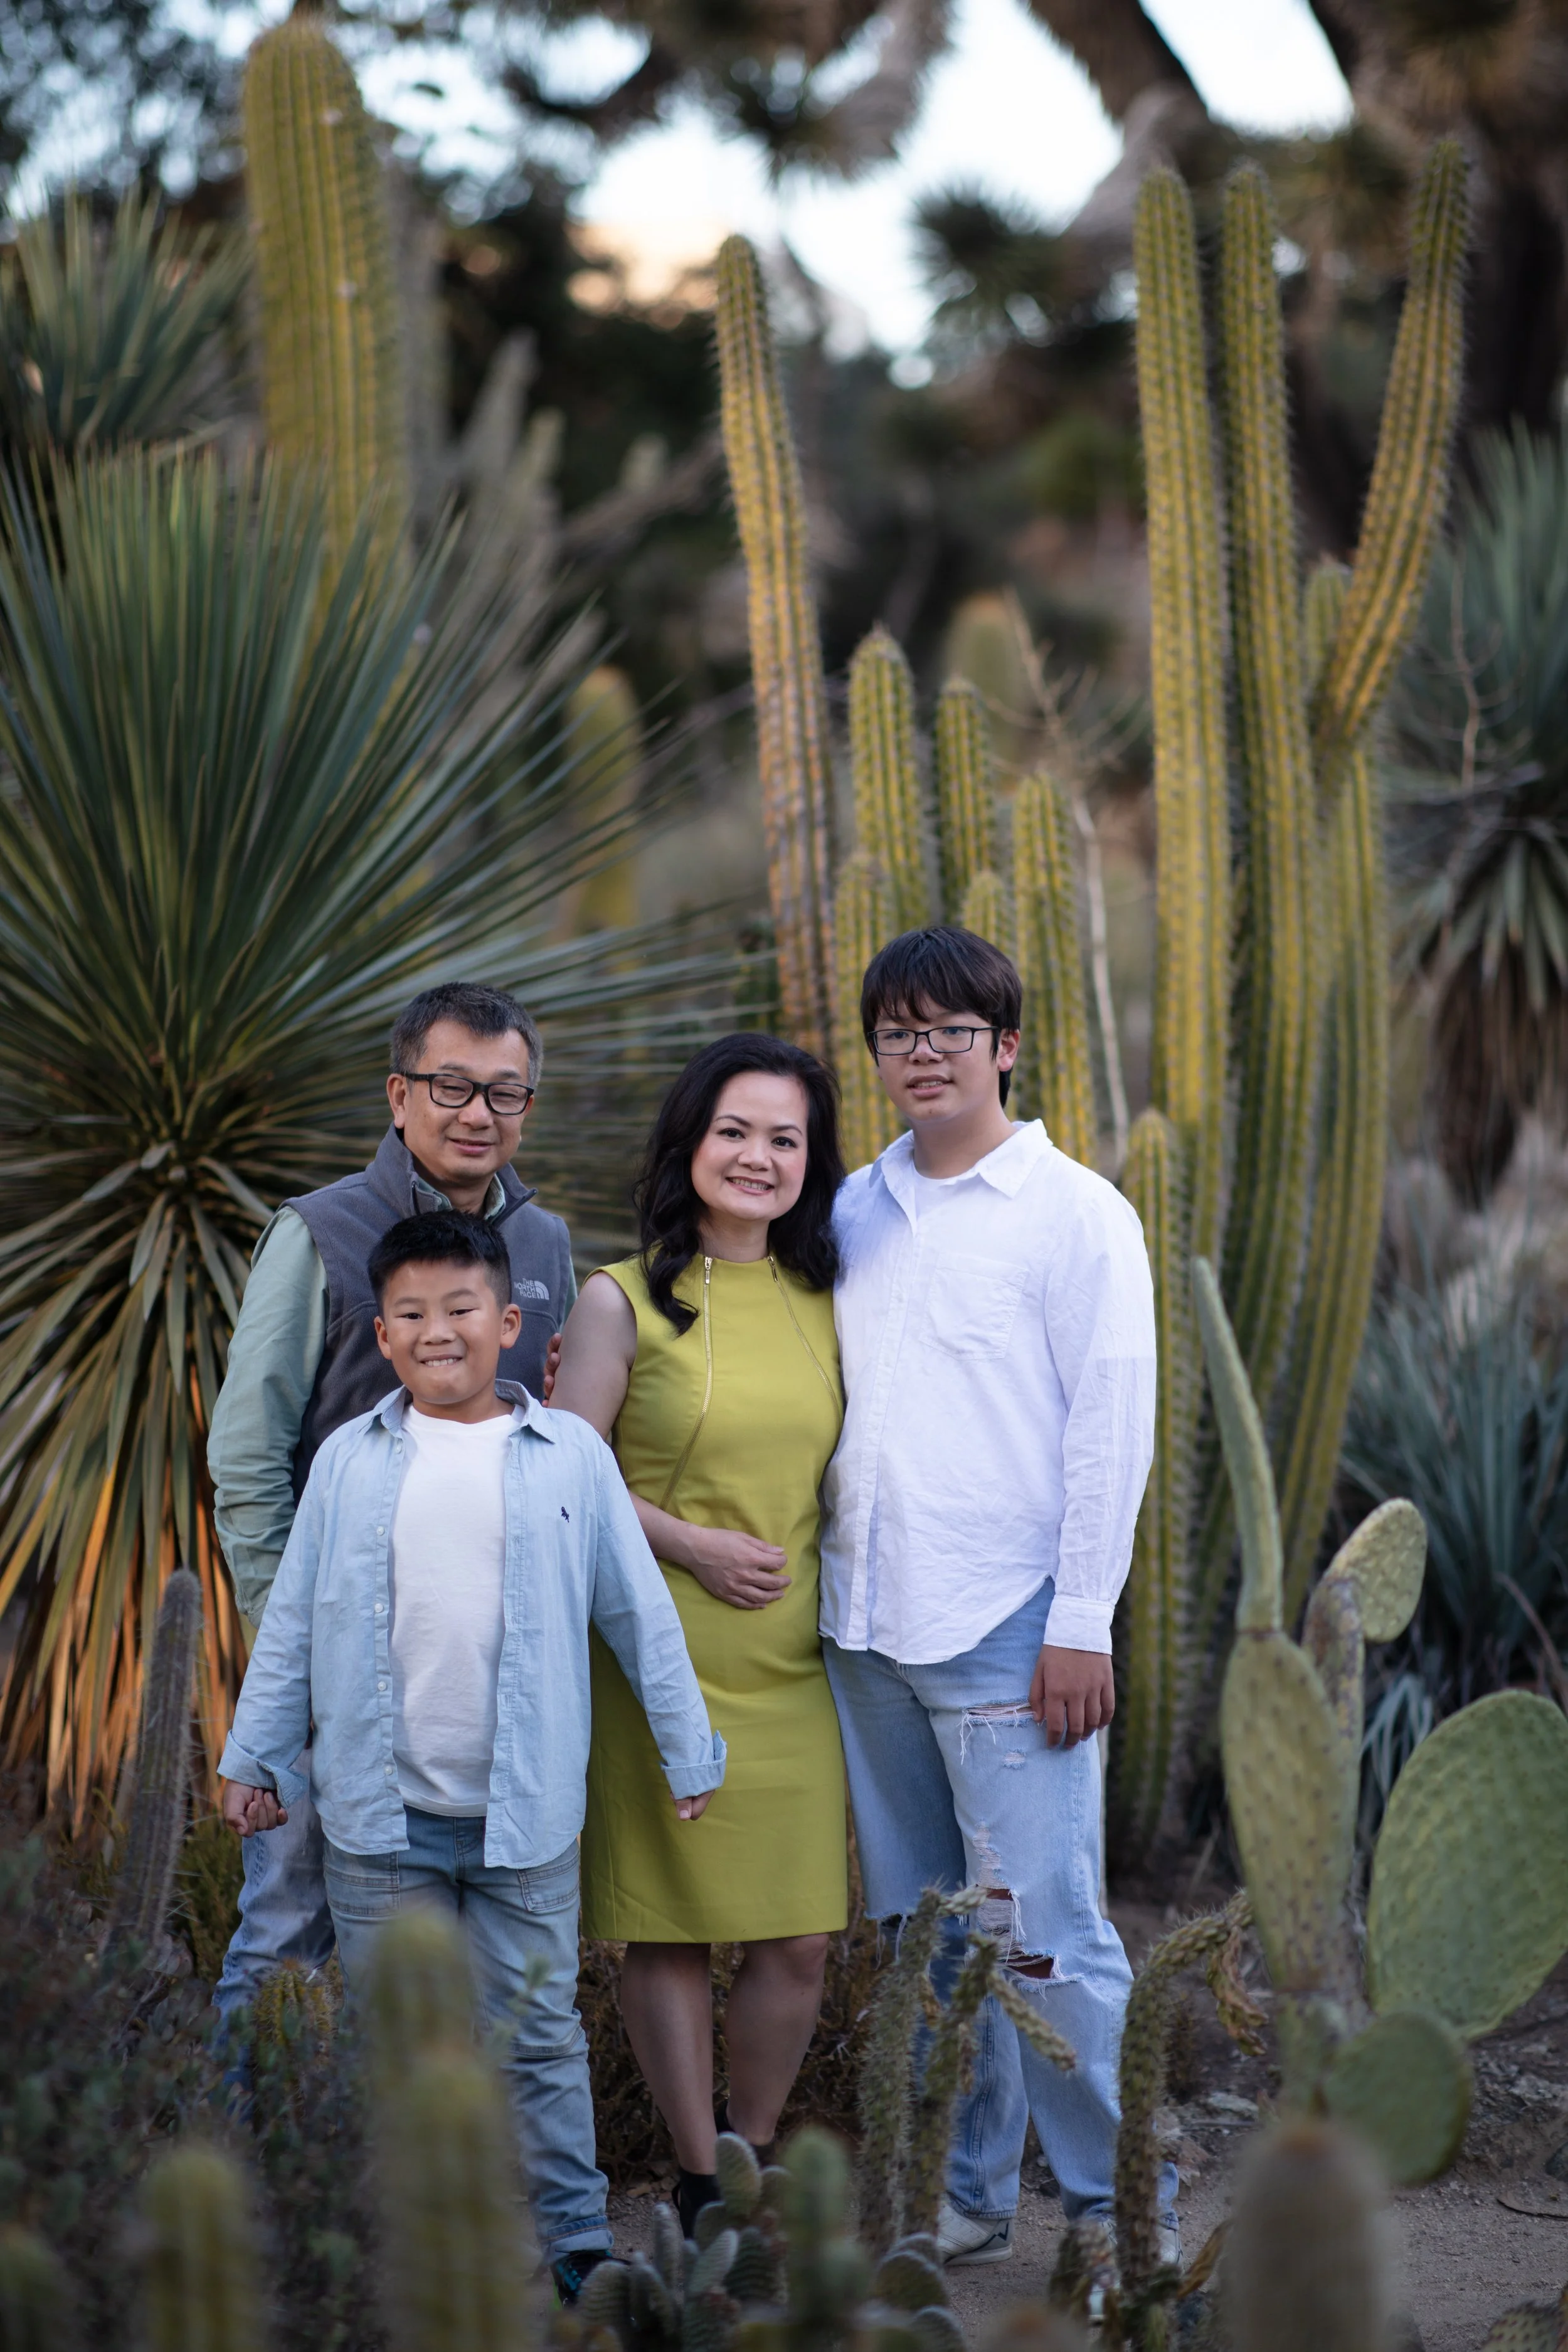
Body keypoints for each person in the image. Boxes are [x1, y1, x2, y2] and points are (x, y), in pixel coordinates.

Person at [218, 1210, 725, 2298]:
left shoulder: (570, 1459)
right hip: (378, 1819)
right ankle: (403, 2230)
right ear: (382, 1334)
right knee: (395, 2038)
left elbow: (639, 1614)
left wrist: (689, 1745)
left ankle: (575, 2240)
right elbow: (296, 1619)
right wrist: (254, 1753)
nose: (436, 1330)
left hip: (525, 1821)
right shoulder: (350, 1459)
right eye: (410, 1313)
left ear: (507, 1322)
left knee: (538, 2035)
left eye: (460, 1309)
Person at [818, 925, 1173, 2269]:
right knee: (925, 1939)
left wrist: (1082, 1618)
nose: (921, 1054)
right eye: (896, 1034)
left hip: (1009, 1627)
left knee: (1050, 1940)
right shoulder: (851, 1207)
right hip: (862, 1627)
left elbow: (1108, 1426)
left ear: (1004, 1046)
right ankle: (968, 2196)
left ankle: (1120, 2226)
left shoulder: (1075, 1213)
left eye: (949, 1031)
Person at [207, 982, 576, 2029]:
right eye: (452, 1085)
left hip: (483, 1671)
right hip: (340, 1660)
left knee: (465, 1958)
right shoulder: (319, 1233)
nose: (478, 1114)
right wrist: (296, 1647)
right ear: (399, 1093)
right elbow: (246, 1455)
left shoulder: (544, 1246)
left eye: (506, 1093)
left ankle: (433, 2177)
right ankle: (248, 2166)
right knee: (285, 1925)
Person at [549, 1034, 847, 2235]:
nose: (759, 1156)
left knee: (801, 1934)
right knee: (667, 1925)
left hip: (797, 1664)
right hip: (655, 1647)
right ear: (689, 1143)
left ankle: (754, 2150)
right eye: (736, 1130)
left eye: (786, 1137)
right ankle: (696, 2178)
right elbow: (566, 1473)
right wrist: (694, 1544)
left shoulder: (835, 1293)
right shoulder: (619, 1297)